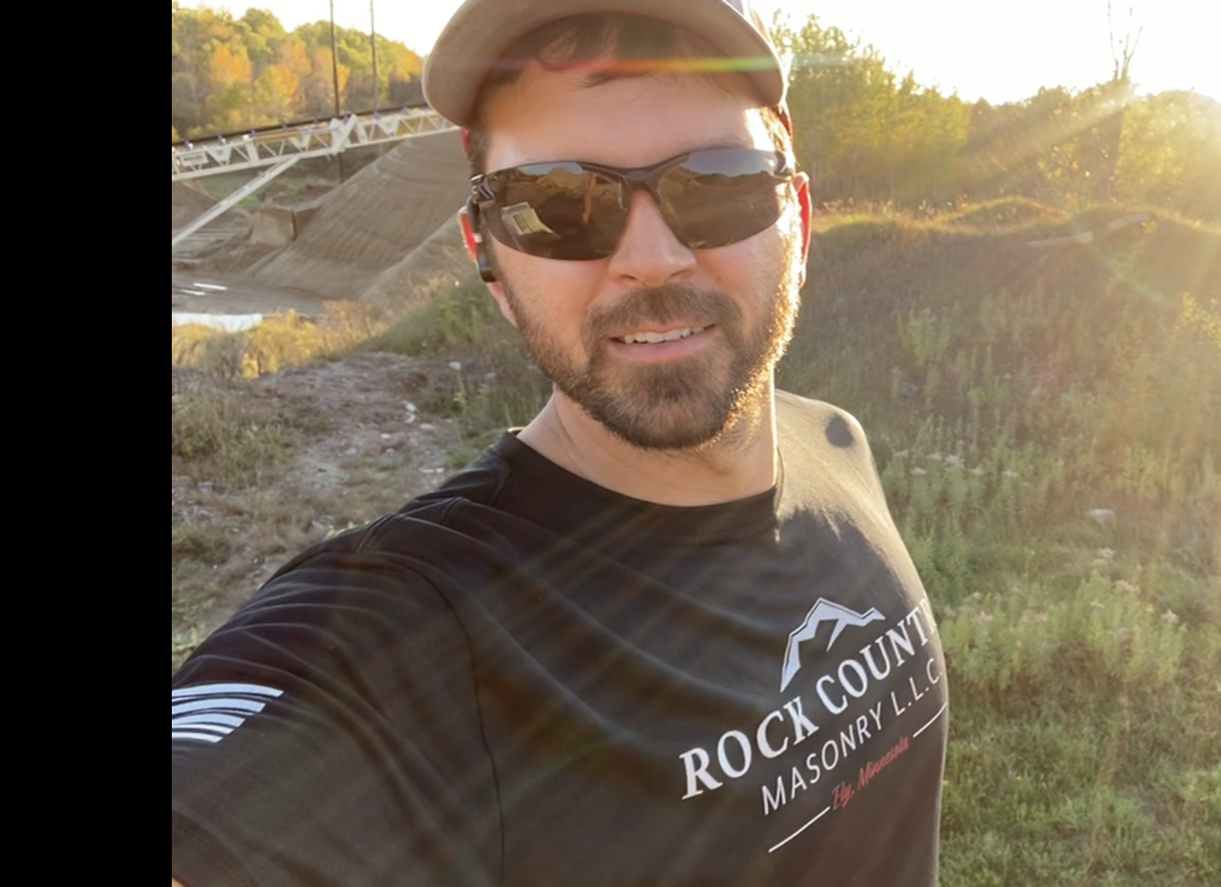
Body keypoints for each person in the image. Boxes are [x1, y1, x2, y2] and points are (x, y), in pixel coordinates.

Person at [169, 1, 948, 883]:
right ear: (488, 255)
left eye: (719, 182)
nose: (651, 258)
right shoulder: (417, 630)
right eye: (558, 204)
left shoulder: (836, 445)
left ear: (797, 216)